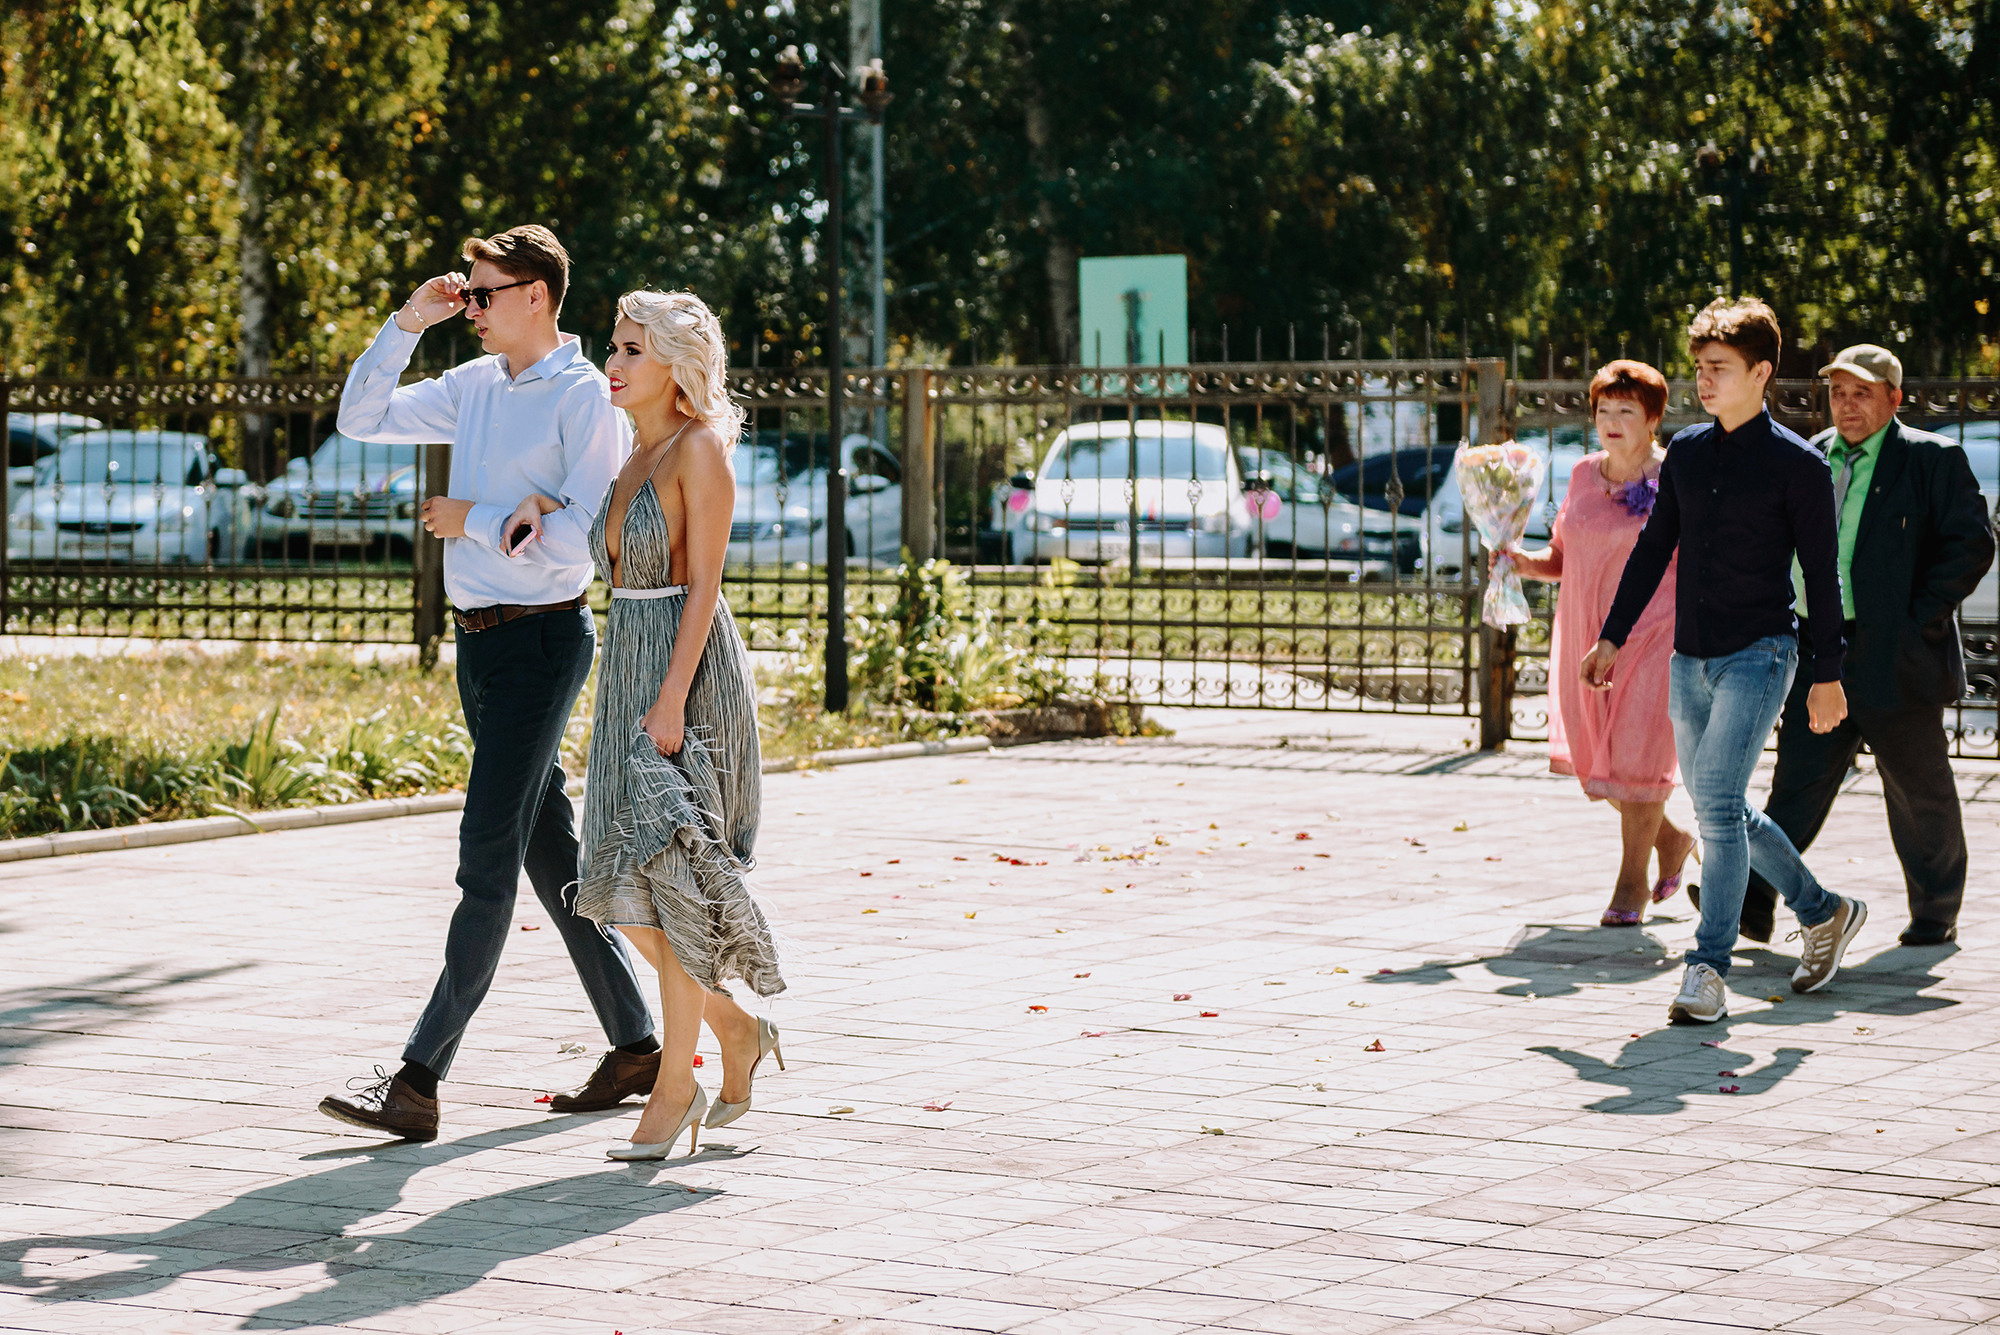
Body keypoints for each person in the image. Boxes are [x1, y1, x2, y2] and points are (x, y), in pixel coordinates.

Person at [319, 226, 662, 1141]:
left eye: (482, 293)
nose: (468, 305)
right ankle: (637, 1044)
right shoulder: (471, 385)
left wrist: (472, 519)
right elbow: (360, 417)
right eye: (464, 293)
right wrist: (407, 322)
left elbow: (583, 540)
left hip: (545, 644)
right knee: (552, 856)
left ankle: (419, 1078)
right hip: (482, 650)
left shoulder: (585, 396)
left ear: (537, 295)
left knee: (486, 859)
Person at [510, 290, 784, 1161]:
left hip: (682, 672)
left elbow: (702, 584)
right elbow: (604, 527)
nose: (614, 365)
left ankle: (676, 1086)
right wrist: (540, 510)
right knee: (616, 887)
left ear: (674, 363)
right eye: (615, 349)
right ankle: (735, 1030)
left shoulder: (698, 450)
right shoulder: (635, 451)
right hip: (626, 659)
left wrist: (670, 698)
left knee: (666, 879)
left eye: (631, 350)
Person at [1582, 298, 1867, 1025]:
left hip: (1763, 652)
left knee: (1711, 804)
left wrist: (1826, 671)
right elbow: (1654, 551)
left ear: (1761, 371)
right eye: (1699, 366)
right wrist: (1613, 633)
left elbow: (1822, 574)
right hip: (1690, 659)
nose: (1703, 380)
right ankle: (1822, 909)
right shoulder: (1686, 454)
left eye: (1719, 368)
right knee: (1725, 807)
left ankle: (1707, 968)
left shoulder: (1798, 466)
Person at [1721, 345, 1993, 947]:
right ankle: (1754, 901)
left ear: (1895, 399)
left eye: (1862, 393)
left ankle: (1935, 910)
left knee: (1919, 790)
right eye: (1838, 393)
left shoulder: (1931, 459)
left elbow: (1972, 544)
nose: (1846, 405)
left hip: (1897, 651)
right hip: (1820, 649)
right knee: (1796, 782)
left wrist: (1916, 615)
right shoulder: (1811, 455)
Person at [1504, 361, 1697, 926]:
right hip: (1587, 635)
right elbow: (1563, 558)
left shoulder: (1674, 477)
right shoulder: (1584, 475)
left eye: (1626, 411)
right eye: (1603, 410)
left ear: (1653, 418)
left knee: (1638, 759)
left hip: (1656, 634)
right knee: (1603, 765)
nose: (1610, 422)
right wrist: (1517, 561)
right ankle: (1673, 839)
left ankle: (1630, 884)